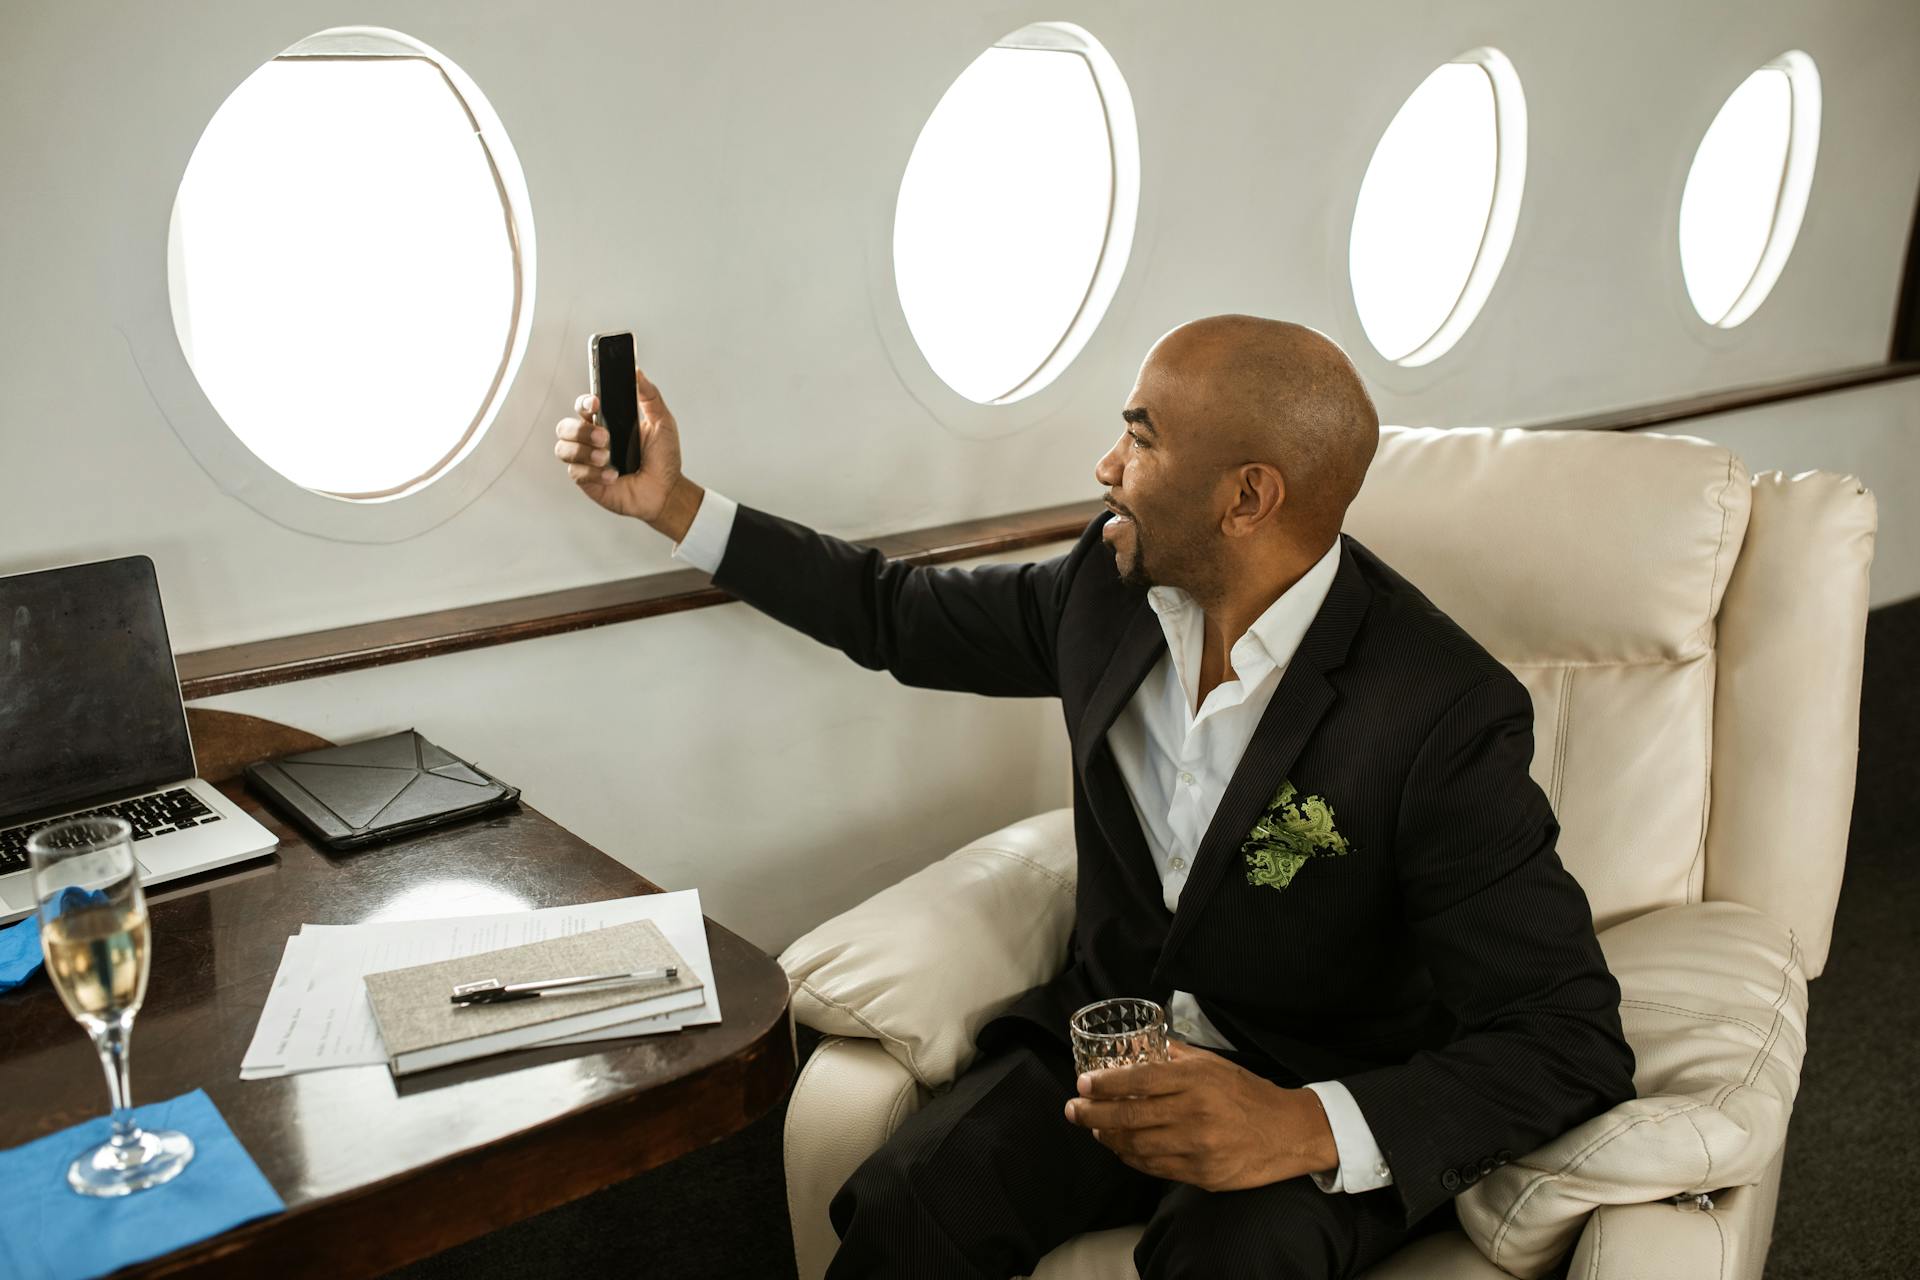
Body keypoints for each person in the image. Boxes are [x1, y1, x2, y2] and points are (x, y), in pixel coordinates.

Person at [553, 315, 1636, 1279]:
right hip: (1105, 1051)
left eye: (1144, 436)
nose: (1107, 463)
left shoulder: (1439, 712)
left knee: (1234, 1258)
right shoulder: (1107, 591)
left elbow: (1568, 1034)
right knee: (906, 1202)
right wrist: (674, 508)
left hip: (1309, 1082)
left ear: (1248, 495)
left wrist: (1306, 1124)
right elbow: (892, 613)